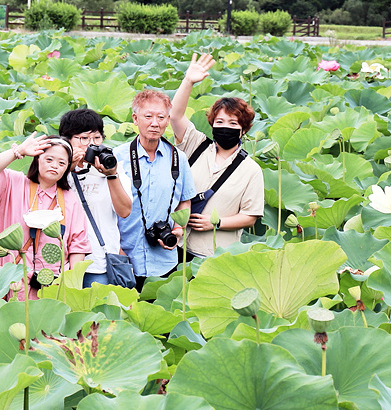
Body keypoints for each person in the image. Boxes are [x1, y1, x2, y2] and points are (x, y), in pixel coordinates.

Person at [170, 53, 265, 259]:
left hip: (216, 254)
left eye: (233, 123)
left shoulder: (251, 169)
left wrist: (216, 222)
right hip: (178, 246)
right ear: (212, 124)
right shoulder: (196, 145)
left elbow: (250, 216)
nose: (225, 128)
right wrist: (188, 81)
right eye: (220, 122)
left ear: (243, 130)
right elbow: (175, 116)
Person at [0, 134, 91, 300]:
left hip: (55, 287)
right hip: (14, 283)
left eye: (62, 163)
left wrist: (72, 285)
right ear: (37, 159)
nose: (55, 166)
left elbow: (78, 245)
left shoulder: (70, 199)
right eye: (49, 159)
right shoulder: (14, 184)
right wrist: (19, 151)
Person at [114, 89, 196, 289]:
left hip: (164, 260)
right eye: (148, 116)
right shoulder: (117, 157)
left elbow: (185, 200)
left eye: (161, 117)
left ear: (168, 120)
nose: (155, 123)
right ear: (135, 118)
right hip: (124, 257)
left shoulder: (179, 159)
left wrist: (178, 230)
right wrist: (115, 246)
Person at [59, 108, 133, 288]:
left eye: (97, 138)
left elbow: (124, 211)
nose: (91, 144)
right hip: (62, 261)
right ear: (67, 140)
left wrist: (111, 175)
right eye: (83, 138)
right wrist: (68, 166)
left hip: (99, 263)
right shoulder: (57, 169)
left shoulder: (115, 168)